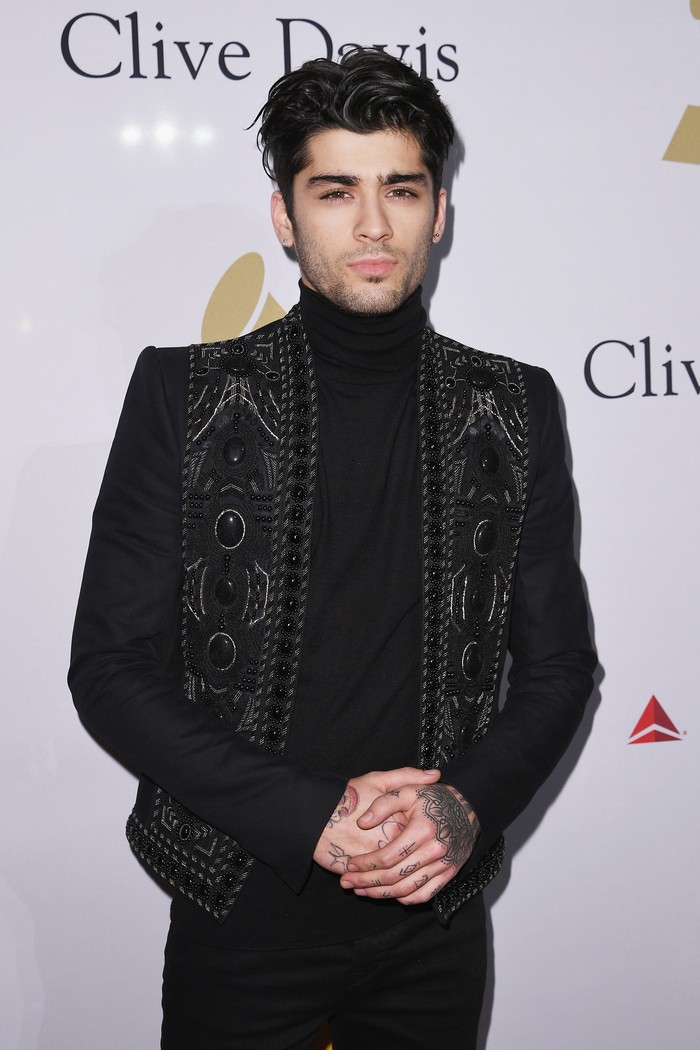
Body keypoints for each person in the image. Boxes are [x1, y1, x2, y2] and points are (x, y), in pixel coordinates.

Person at [69, 48, 596, 1050]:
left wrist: (463, 807)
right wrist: (309, 815)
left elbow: (560, 665)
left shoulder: (513, 406)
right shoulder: (183, 394)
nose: (372, 226)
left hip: (433, 913)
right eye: (335, 191)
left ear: (439, 211)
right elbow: (110, 671)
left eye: (401, 189)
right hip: (242, 909)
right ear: (284, 215)